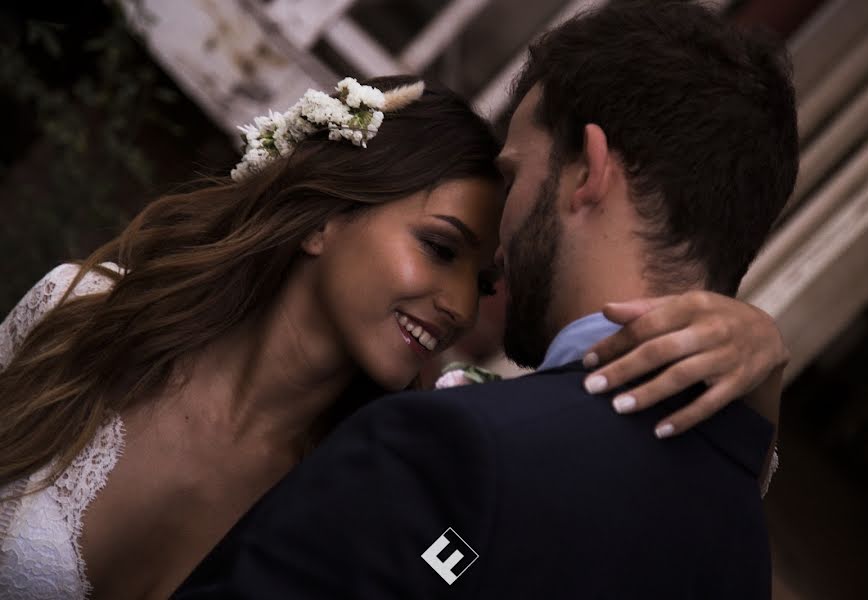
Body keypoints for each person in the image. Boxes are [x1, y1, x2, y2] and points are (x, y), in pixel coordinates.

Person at [0, 70, 783, 600]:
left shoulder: (391, 466)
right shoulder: (78, 312)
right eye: (439, 248)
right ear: (326, 216)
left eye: (482, 284)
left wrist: (761, 364)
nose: (455, 305)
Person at [172, 1, 798, 598]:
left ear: (589, 171)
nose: (499, 245)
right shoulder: (741, 542)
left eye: (514, 175)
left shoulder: (457, 448)